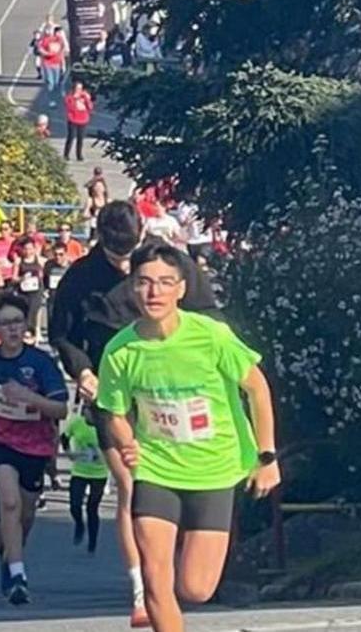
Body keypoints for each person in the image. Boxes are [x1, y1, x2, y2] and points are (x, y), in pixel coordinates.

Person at [48, 200, 219, 627]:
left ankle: (182, 554)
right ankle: (143, 589)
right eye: (114, 255)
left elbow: (209, 315)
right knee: (132, 487)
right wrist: (83, 371)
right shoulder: (80, 277)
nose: (124, 266)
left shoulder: (169, 263)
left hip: (172, 393)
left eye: (130, 253)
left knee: (178, 482)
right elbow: (62, 335)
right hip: (114, 394)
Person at [98, 244, 281, 632]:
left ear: (181, 289)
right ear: (132, 287)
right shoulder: (120, 350)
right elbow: (114, 412)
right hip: (156, 469)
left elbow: (257, 389)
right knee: (154, 576)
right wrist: (126, 439)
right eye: (145, 282)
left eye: (165, 283)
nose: (154, 292)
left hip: (214, 471)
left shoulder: (211, 336)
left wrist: (267, 457)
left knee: (195, 588)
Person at [0, 294, 69, 606]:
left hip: (34, 445)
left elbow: (61, 409)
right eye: (5, 323)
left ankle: (10, 560)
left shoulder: (40, 362)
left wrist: (28, 397)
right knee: (9, 502)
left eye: (18, 322)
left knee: (16, 523)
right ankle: (19, 574)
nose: (12, 329)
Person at [64, 404, 108, 552]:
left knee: (92, 508)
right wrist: (69, 453)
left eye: (90, 412)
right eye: (85, 412)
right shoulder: (77, 423)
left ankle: (92, 542)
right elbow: (64, 437)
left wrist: (104, 456)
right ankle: (79, 524)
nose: (87, 415)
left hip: (99, 473)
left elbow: (114, 446)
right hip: (80, 471)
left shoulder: (104, 426)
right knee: (74, 505)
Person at [13, 238, 47, 337]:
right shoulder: (19, 261)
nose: (28, 251)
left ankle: (35, 331)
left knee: (35, 309)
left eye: (30, 248)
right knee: (25, 309)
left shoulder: (40, 260)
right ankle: (26, 331)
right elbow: (14, 278)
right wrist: (21, 278)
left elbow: (45, 275)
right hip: (24, 290)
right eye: (26, 249)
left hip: (36, 289)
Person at [43, 240, 73, 327]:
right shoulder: (49, 265)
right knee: (52, 322)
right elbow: (45, 279)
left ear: (66, 254)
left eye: (61, 254)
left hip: (67, 297)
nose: (58, 257)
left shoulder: (71, 266)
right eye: (55, 254)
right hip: (53, 297)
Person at [64, 82, 94, 162]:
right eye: (77, 88)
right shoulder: (70, 97)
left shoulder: (84, 97)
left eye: (80, 89)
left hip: (83, 119)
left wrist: (87, 99)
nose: (79, 90)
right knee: (71, 137)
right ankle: (66, 154)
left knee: (80, 138)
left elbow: (90, 107)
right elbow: (69, 106)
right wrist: (74, 98)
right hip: (73, 119)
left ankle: (79, 155)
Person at [38, 26, 67, 103]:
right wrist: (47, 53)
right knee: (51, 83)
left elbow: (61, 52)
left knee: (56, 83)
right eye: (47, 30)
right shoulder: (45, 40)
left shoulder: (59, 40)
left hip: (57, 64)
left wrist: (63, 64)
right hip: (48, 64)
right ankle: (51, 100)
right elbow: (40, 49)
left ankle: (56, 97)